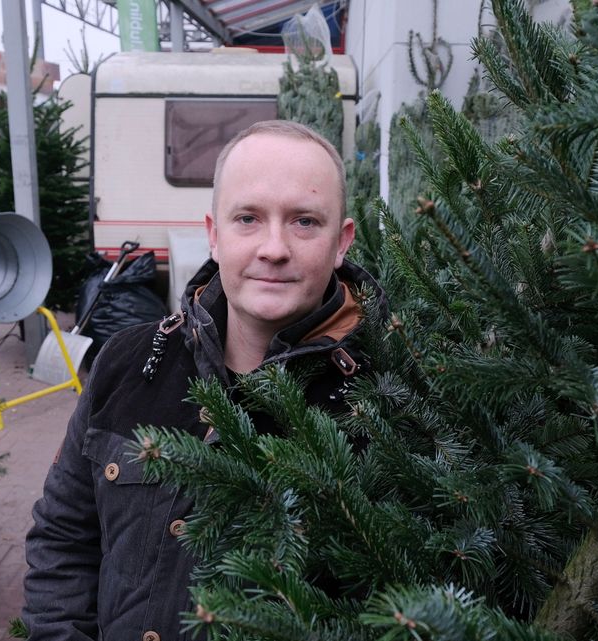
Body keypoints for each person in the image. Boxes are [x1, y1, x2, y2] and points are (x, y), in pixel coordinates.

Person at [22, 120, 386, 641]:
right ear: (214, 235)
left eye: (304, 221)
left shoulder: (390, 400)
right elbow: (63, 538)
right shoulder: (126, 362)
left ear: (341, 242)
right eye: (248, 219)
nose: (274, 247)